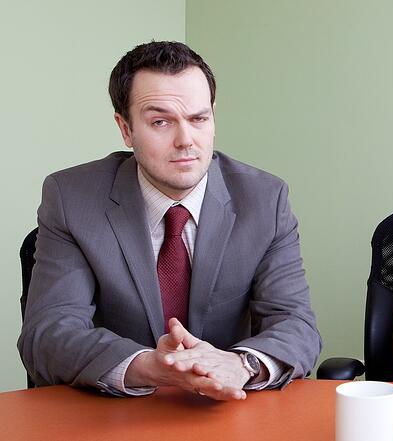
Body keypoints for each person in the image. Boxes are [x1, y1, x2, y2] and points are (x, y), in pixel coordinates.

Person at [18, 41, 321, 400]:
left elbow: (296, 325)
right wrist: (149, 366)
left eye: (198, 119)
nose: (185, 140)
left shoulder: (264, 199)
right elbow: (48, 333)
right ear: (126, 129)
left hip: (225, 410)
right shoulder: (72, 198)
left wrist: (240, 366)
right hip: (113, 414)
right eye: (160, 121)